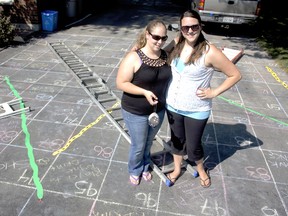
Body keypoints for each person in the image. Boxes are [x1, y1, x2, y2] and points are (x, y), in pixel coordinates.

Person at [164, 10, 242, 188]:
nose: (190, 31)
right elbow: (159, 54)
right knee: (176, 141)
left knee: (193, 147)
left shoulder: (210, 51)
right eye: (186, 27)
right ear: (181, 28)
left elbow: (235, 74)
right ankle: (177, 169)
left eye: (194, 27)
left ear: (200, 26)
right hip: (173, 105)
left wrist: (214, 92)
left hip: (196, 109)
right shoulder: (177, 44)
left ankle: (201, 170)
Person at [116, 19, 172, 186]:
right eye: (156, 37)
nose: (160, 41)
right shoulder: (134, 57)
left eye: (164, 38)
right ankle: (135, 169)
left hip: (158, 110)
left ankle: (146, 164)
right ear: (147, 34)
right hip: (135, 110)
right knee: (139, 145)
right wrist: (144, 92)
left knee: (148, 142)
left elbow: (180, 40)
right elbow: (121, 83)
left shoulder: (164, 55)